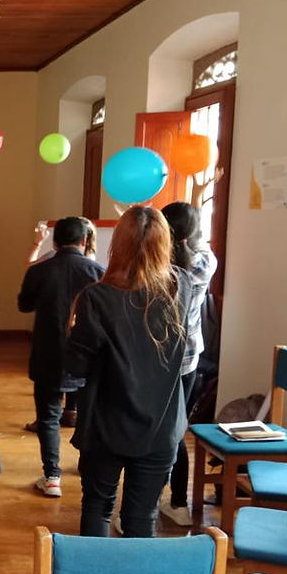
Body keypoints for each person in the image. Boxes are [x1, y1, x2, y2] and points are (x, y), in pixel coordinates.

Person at [66, 206, 192, 538]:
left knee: (97, 506)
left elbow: (76, 367)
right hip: (162, 422)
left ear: (117, 245)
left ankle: (91, 572)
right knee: (142, 517)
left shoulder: (96, 297)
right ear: (165, 244)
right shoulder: (182, 285)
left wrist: (73, 331)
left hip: (106, 423)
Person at [17, 217, 104, 498]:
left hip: (48, 353)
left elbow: (24, 305)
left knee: (48, 417)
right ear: (84, 241)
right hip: (89, 356)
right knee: (88, 415)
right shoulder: (98, 272)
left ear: (54, 242)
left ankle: (52, 476)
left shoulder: (39, 271)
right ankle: (86, 466)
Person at [158, 201, 217, 526]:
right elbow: (198, 245)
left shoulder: (158, 266)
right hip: (189, 359)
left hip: (157, 359)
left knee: (158, 430)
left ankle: (148, 501)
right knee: (177, 429)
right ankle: (178, 503)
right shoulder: (206, 262)